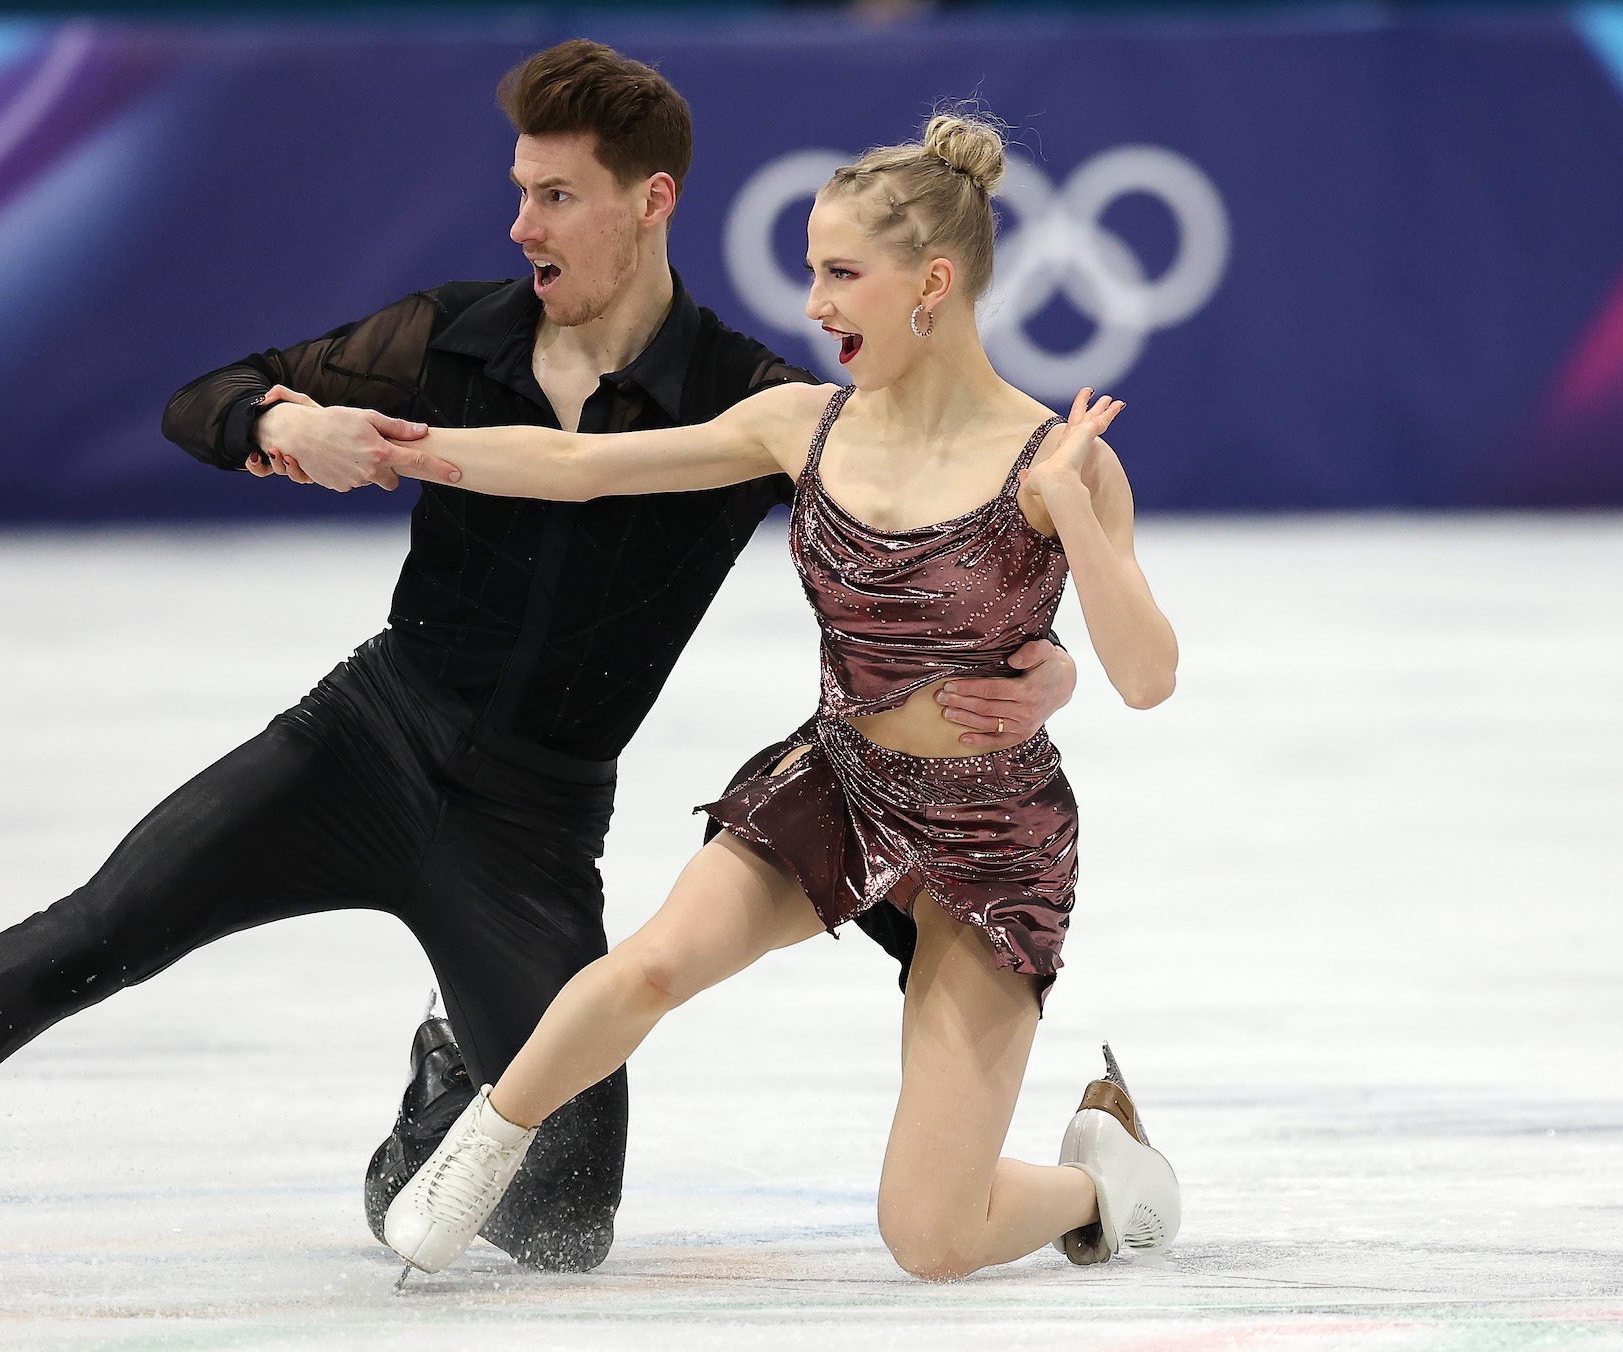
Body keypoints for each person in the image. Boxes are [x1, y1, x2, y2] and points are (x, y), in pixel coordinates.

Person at [0, 46, 1075, 1289]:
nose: (521, 223)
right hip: (363, 744)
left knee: (562, 1228)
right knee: (90, 935)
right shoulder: (450, 340)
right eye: (519, 190)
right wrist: (288, 422)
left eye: (557, 196)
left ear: (651, 204)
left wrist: (1048, 674)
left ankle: (447, 1074)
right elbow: (200, 399)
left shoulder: (746, 401)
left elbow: (927, 547)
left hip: (529, 830)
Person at [373, 111, 1182, 1282]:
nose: (815, 302)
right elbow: (577, 466)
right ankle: (480, 1150)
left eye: (842, 273)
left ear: (933, 284)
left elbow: (1148, 677)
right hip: (840, 784)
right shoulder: (801, 424)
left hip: (992, 832)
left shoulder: (1059, 459)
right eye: (814, 270)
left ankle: (1105, 1181)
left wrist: (1077, 516)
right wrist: (407, 448)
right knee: (653, 962)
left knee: (930, 1236)